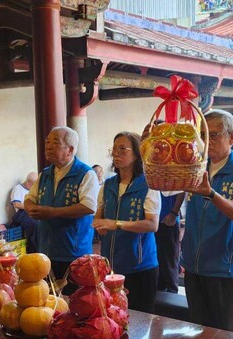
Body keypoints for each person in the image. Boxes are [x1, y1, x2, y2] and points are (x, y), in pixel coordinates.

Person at [181, 109, 233, 333]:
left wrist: (210, 193)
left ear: (231, 138)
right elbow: (164, 189)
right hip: (195, 266)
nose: (207, 142)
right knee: (198, 334)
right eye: (203, 136)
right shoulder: (195, 168)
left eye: (214, 135)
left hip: (225, 268)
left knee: (225, 338)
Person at [93, 131, 160, 313]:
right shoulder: (108, 185)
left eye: (123, 149)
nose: (116, 153)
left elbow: (152, 224)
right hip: (111, 265)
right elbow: (98, 218)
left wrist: (116, 224)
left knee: (141, 320)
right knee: (112, 315)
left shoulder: (149, 185)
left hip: (140, 266)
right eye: (114, 149)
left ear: (138, 153)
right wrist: (99, 224)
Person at [25, 126, 99, 290]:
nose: (48, 146)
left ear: (70, 149)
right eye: (47, 142)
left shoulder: (85, 174)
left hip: (74, 253)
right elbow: (29, 198)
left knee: (74, 302)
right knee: (49, 300)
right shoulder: (45, 174)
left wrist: (52, 213)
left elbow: (88, 206)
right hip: (46, 250)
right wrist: (31, 209)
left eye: (55, 143)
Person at [141, 121, 186, 293]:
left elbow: (182, 188)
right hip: (149, 219)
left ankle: (172, 292)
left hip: (167, 216)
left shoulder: (174, 157)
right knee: (155, 257)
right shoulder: (148, 158)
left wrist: (174, 213)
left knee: (169, 260)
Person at [10, 172, 38, 252]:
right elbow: (16, 204)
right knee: (34, 225)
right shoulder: (18, 188)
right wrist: (31, 207)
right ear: (28, 181)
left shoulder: (33, 191)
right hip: (22, 214)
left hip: (32, 212)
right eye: (34, 184)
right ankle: (33, 250)